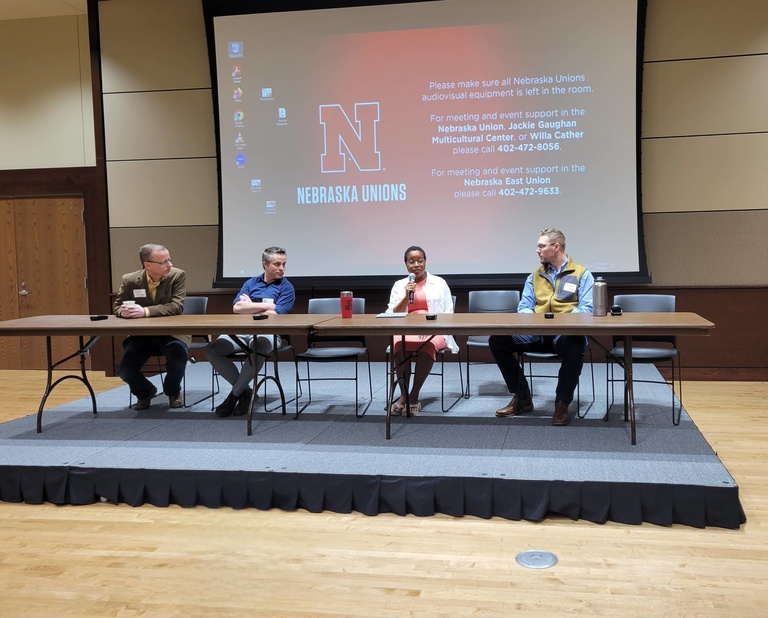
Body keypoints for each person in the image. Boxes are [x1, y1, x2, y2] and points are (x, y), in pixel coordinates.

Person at [489, 228, 594, 426]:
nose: (537, 250)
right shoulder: (534, 276)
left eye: (541, 246)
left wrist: (559, 322)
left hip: (565, 334)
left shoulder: (582, 274)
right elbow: (524, 307)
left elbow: (586, 309)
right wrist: (537, 321)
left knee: (575, 343)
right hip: (536, 333)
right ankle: (522, 397)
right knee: (498, 340)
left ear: (556, 247)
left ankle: (562, 403)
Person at [207, 246, 295, 418]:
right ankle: (246, 392)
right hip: (241, 331)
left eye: (284, 264)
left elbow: (276, 314)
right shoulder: (250, 283)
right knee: (212, 350)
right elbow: (237, 308)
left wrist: (251, 306)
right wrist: (266, 306)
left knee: (259, 346)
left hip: (270, 333)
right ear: (265, 264)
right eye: (277, 264)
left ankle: (234, 396)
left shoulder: (287, 287)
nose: (281, 268)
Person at [113, 243, 189, 410]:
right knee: (125, 371)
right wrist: (123, 312)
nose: (170, 265)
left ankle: (173, 391)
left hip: (172, 333)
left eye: (170, 260)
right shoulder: (130, 280)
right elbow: (117, 307)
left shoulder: (177, 276)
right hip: (142, 335)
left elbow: (177, 306)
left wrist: (145, 311)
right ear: (147, 265)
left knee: (177, 363)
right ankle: (145, 392)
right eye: (164, 262)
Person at [385, 246, 458, 416]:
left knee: (428, 345)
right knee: (398, 344)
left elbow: (448, 312)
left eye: (420, 260)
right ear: (406, 265)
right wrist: (405, 295)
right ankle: (403, 396)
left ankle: (414, 395)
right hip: (406, 328)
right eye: (412, 261)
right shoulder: (399, 285)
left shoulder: (439, 283)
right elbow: (392, 314)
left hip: (435, 329)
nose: (416, 264)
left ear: (425, 262)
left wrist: (431, 327)